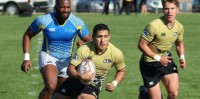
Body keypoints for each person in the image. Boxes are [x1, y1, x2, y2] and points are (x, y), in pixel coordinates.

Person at [20, 0, 92, 99]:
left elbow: (91, 42)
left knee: (60, 93)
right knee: (50, 86)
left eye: (68, 7)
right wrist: (26, 58)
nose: (65, 10)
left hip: (67, 61)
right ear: (56, 7)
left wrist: (84, 43)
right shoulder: (44, 20)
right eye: (62, 7)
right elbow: (27, 35)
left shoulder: (77, 22)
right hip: (48, 56)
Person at [52, 23, 126, 99]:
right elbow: (70, 70)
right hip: (76, 79)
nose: (102, 40)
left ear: (109, 37)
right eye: (99, 37)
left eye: (105, 36)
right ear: (93, 37)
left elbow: (121, 70)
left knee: (83, 97)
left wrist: (114, 83)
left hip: (94, 82)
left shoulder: (116, 53)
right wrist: (81, 76)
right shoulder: (84, 49)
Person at [138, 0, 186, 99]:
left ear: (177, 9)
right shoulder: (153, 26)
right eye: (166, 9)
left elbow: (179, 43)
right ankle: (144, 92)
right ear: (163, 10)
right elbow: (141, 45)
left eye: (172, 9)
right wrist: (159, 58)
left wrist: (182, 57)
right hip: (149, 63)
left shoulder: (179, 27)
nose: (169, 12)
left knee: (173, 93)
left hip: (166, 60)